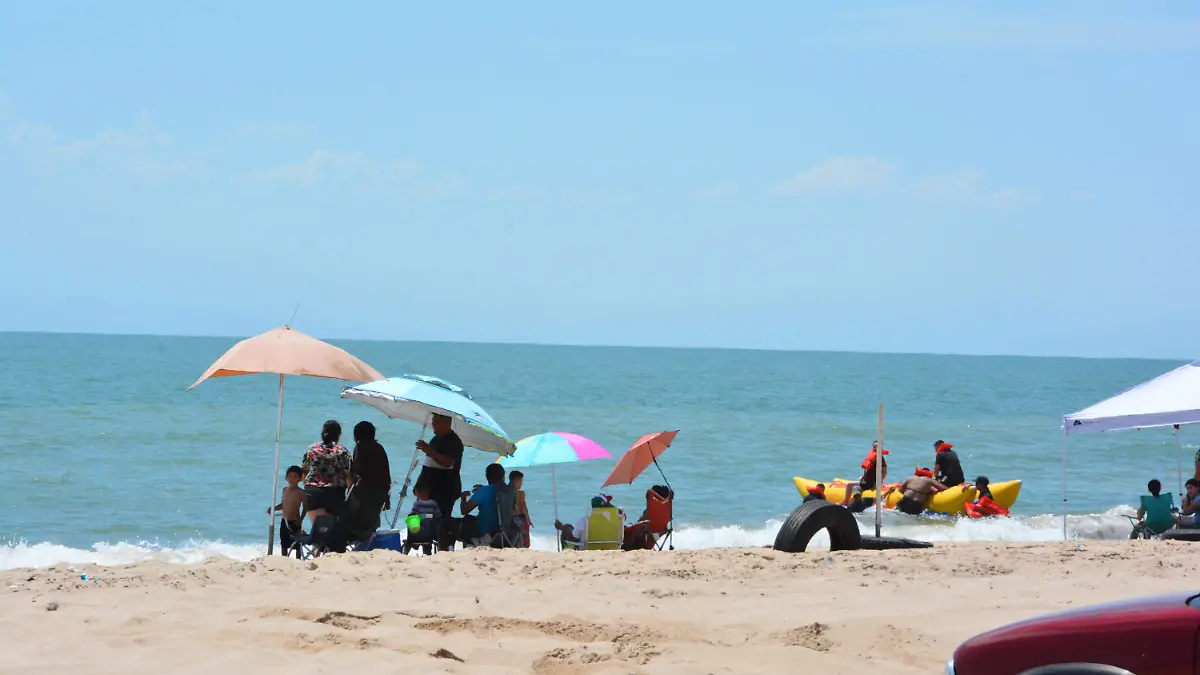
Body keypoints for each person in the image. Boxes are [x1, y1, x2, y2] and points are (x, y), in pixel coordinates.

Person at [343, 421, 392, 539]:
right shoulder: (379, 448)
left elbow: (358, 469)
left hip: (365, 495)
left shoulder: (360, 448)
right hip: (381, 495)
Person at [300, 420, 352, 524]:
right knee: (332, 533)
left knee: (318, 531)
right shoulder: (343, 451)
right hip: (335, 494)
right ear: (338, 435)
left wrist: (308, 488)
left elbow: (303, 473)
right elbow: (348, 477)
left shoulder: (312, 449)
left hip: (313, 493)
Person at [416, 414, 465, 521]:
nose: (433, 424)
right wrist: (419, 483)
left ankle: (440, 536)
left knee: (440, 520)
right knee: (422, 518)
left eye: (436, 422)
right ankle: (425, 536)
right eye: (433, 421)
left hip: (444, 490)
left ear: (447, 422)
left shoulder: (454, 442)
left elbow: (448, 462)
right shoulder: (435, 439)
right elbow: (428, 462)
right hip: (429, 489)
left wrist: (430, 451)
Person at [460, 463, 507, 545]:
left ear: (487, 477)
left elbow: (464, 511)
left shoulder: (484, 491)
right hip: (506, 530)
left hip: (485, 530)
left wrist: (463, 497)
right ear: (503, 477)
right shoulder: (509, 491)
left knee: (466, 520)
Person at [268, 465, 307, 557]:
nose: (291, 479)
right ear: (286, 478)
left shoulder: (301, 492)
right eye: (289, 476)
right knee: (284, 543)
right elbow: (283, 505)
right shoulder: (284, 490)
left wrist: (301, 519)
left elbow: (306, 507)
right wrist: (273, 509)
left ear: (299, 479)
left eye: (295, 477)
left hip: (295, 521)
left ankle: (298, 559)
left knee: (296, 544)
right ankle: (284, 559)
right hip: (284, 521)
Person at [404, 479, 442, 554]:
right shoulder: (433, 504)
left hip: (417, 535)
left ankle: (406, 551)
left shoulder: (417, 504)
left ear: (417, 493)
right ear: (429, 491)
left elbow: (412, 516)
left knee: (411, 522)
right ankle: (427, 552)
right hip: (430, 535)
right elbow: (438, 517)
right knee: (430, 524)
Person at [509, 470, 532, 548]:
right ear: (517, 481)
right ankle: (523, 547)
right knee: (524, 539)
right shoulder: (521, 493)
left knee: (515, 538)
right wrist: (528, 520)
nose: (522, 483)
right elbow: (524, 507)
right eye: (521, 481)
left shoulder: (506, 493)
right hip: (520, 518)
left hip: (510, 519)